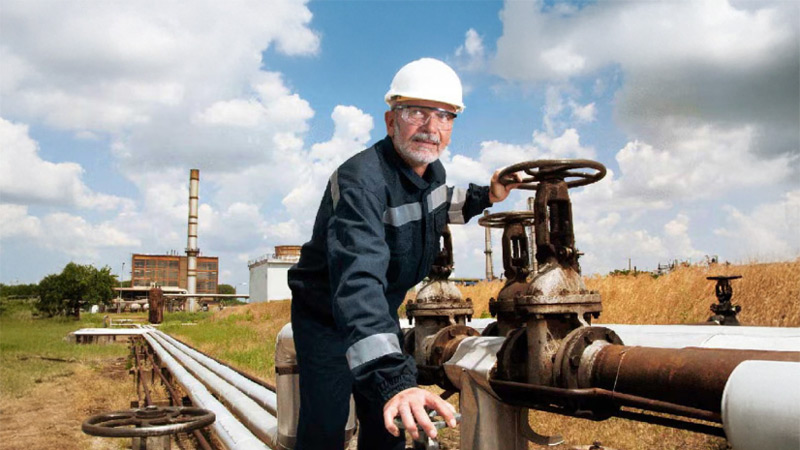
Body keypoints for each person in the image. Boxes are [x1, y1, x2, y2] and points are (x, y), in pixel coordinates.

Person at [287, 57, 518, 450]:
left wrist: (488, 195)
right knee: (325, 425)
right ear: (390, 120)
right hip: (327, 316)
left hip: (380, 309)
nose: (431, 128)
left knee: (391, 426)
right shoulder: (362, 183)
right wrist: (396, 380)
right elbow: (357, 280)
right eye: (416, 112)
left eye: (445, 116)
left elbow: (441, 204)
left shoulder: (432, 173)